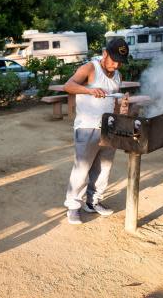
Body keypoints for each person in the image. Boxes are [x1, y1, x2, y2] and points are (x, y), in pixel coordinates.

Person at [63, 38, 130, 225]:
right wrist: (89, 91)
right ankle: (73, 207)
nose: (116, 65)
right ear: (105, 53)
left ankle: (93, 202)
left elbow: (115, 103)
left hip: (108, 128)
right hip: (87, 126)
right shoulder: (90, 69)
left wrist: (122, 108)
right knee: (82, 168)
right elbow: (68, 86)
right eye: (113, 59)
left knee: (104, 168)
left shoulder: (118, 76)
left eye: (120, 62)